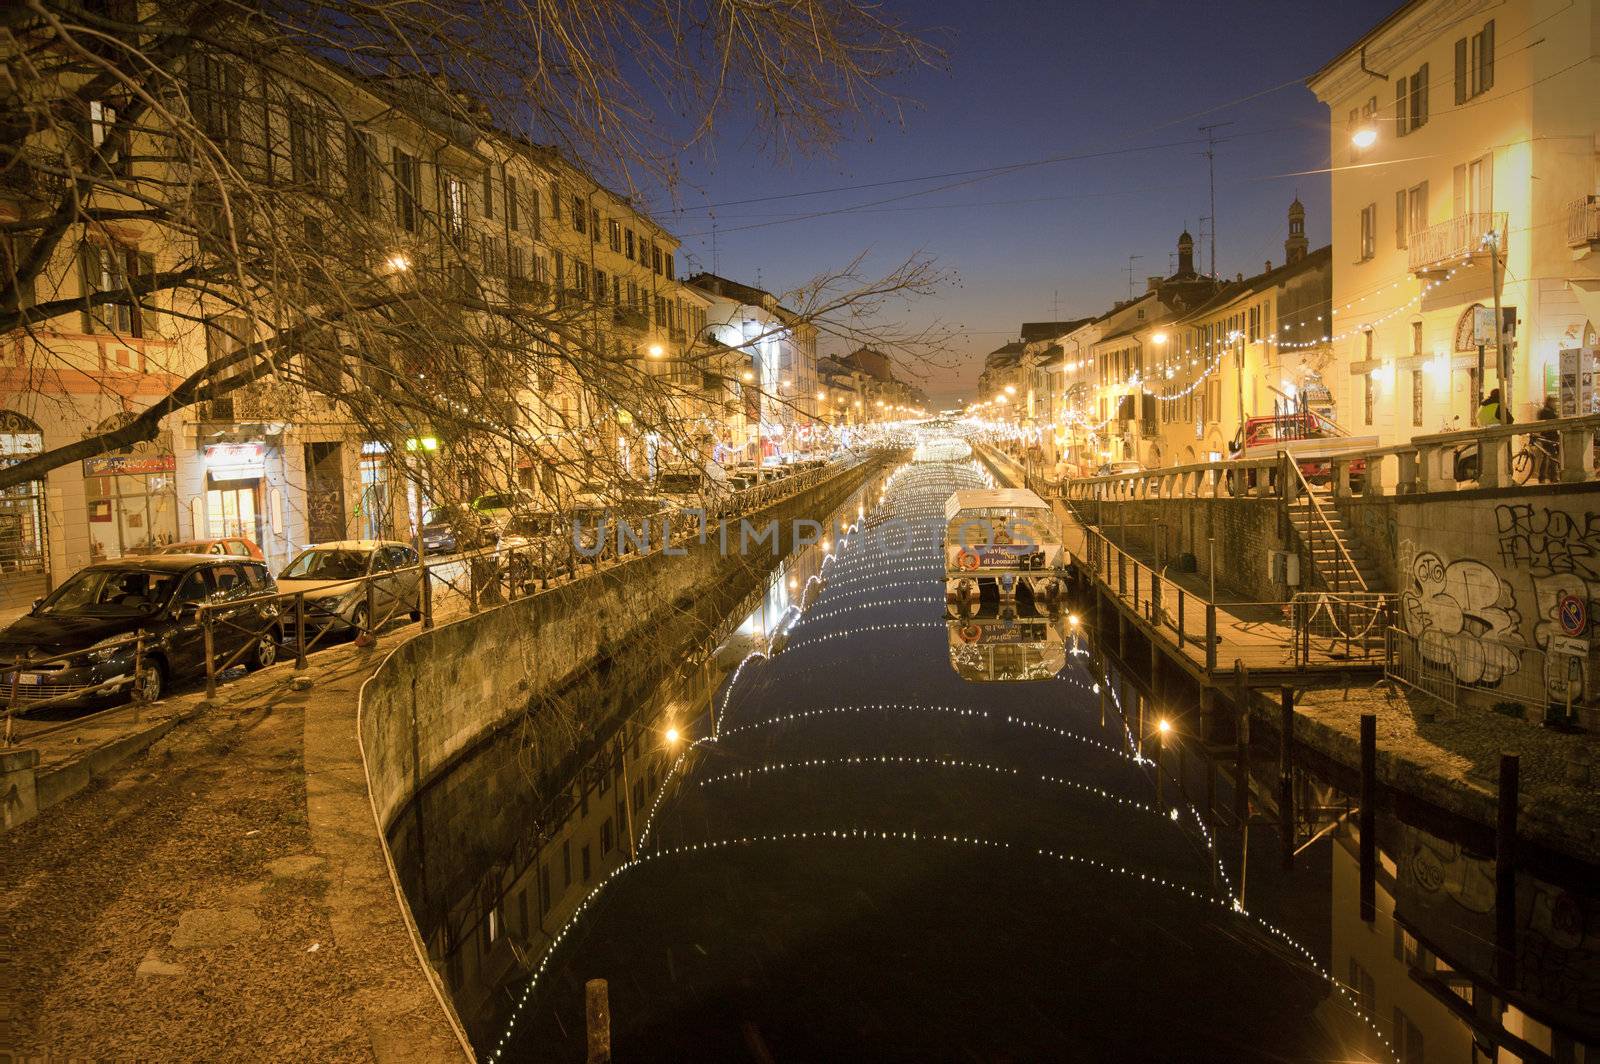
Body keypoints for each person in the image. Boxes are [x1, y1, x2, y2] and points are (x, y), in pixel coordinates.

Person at [1535, 394, 1560, 483]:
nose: (1555, 403)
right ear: (1549, 402)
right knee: (1551, 457)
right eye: (1553, 401)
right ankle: (1552, 476)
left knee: (1546, 457)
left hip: (1547, 437)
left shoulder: (1544, 411)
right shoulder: (1548, 412)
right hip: (1550, 437)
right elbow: (1554, 422)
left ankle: (1543, 476)